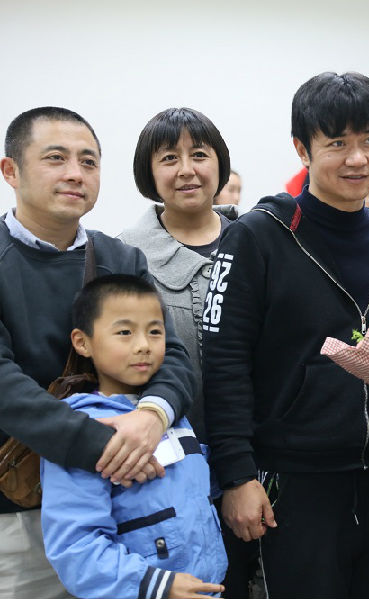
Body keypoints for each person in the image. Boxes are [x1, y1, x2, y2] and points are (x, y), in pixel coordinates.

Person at [202, 72, 369, 599]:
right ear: (302, 149)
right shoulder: (258, 236)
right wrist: (236, 476)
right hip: (292, 483)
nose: (357, 159)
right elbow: (223, 361)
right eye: (337, 144)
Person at [0, 107, 195, 598]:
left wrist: (152, 416)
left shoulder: (119, 258)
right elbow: (4, 386)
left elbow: (171, 355)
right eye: (56, 158)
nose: (75, 173)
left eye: (88, 161)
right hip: (21, 512)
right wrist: (106, 447)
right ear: (10, 171)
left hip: (132, 501)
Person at [117, 107, 253, 597]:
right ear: (149, 172)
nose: (186, 170)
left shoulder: (258, 241)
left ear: (220, 163)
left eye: (199, 154)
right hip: (164, 468)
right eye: (169, 158)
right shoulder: (123, 255)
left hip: (261, 461)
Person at [40, 274, 227, 599]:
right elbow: (77, 548)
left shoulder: (170, 414)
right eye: (125, 332)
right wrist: (156, 586)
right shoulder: (82, 428)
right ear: (83, 342)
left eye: (155, 331)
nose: (143, 345)